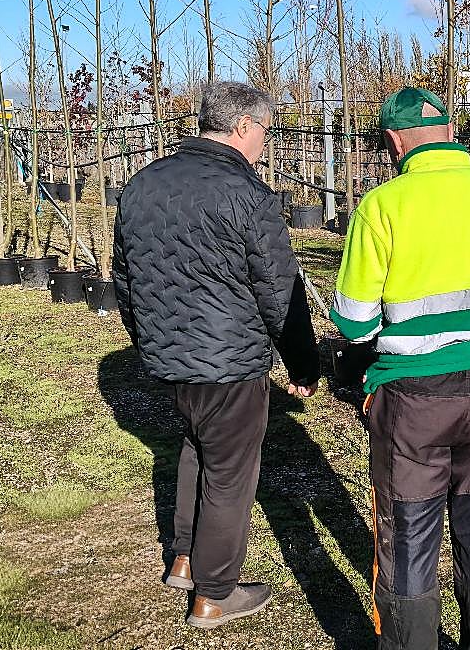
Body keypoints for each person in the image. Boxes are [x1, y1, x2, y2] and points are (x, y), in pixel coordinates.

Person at [331, 87, 470, 650]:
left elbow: (355, 324)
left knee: (407, 539)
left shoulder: (381, 206)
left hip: (413, 402)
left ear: (394, 141)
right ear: (452, 134)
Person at [113, 81, 320, 629]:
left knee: (194, 449)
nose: (266, 146)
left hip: (171, 358)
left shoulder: (141, 184)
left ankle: (184, 556)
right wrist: (304, 363)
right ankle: (214, 592)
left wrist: (149, 340)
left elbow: (126, 279)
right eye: (267, 133)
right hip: (229, 362)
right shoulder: (246, 194)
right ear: (244, 127)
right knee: (230, 473)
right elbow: (281, 290)